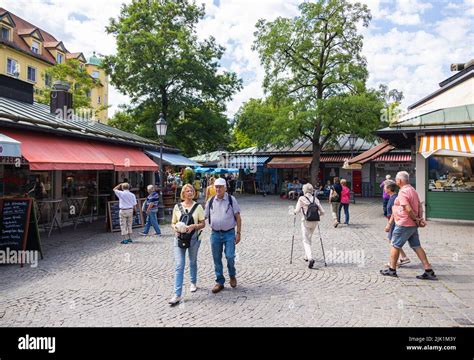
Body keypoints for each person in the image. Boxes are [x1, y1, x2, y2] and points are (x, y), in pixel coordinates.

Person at [380, 171, 436, 280]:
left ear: (400, 181)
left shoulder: (403, 192)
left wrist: (416, 218)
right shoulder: (413, 190)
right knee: (416, 246)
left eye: (396, 180)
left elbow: (408, 208)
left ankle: (392, 269)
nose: (396, 181)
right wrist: (419, 219)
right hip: (412, 224)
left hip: (404, 223)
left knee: (395, 245)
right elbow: (419, 205)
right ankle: (428, 270)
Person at [169, 184, 206, 305]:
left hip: (194, 239)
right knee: (179, 265)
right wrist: (176, 228)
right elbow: (173, 223)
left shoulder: (198, 207)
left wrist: (193, 226)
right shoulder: (177, 207)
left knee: (193, 261)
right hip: (179, 239)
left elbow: (203, 224)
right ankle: (177, 294)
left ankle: (193, 282)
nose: (189, 192)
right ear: (183, 193)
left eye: (191, 191)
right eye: (187, 191)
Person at [205, 177, 242, 294]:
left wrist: (239, 233)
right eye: (216, 187)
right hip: (215, 233)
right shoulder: (210, 201)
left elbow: (238, 217)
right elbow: (203, 217)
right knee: (216, 258)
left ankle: (232, 275)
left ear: (225, 188)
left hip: (229, 233)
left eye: (220, 187)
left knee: (230, 256)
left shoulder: (231, 200)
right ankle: (219, 281)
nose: (218, 189)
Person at [294, 183, 325, 269]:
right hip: (315, 222)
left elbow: (297, 210)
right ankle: (306, 256)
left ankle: (310, 258)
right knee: (309, 238)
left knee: (305, 240)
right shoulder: (316, 199)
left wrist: (293, 211)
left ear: (304, 190)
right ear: (311, 190)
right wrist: (316, 215)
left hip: (305, 221)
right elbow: (323, 212)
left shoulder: (302, 198)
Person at [383, 180, 410, 267]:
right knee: (394, 241)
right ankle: (404, 257)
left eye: (384, 187)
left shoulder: (394, 198)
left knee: (393, 242)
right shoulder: (392, 197)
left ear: (389, 189)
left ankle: (393, 262)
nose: (383, 189)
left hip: (395, 222)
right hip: (393, 221)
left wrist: (389, 224)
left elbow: (394, 213)